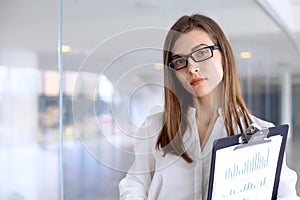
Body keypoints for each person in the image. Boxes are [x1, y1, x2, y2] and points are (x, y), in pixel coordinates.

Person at [119, 14, 299, 200]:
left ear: (224, 56)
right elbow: (135, 184)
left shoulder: (263, 134)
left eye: (202, 53)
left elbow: (286, 196)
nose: (191, 68)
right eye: (180, 61)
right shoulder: (155, 127)